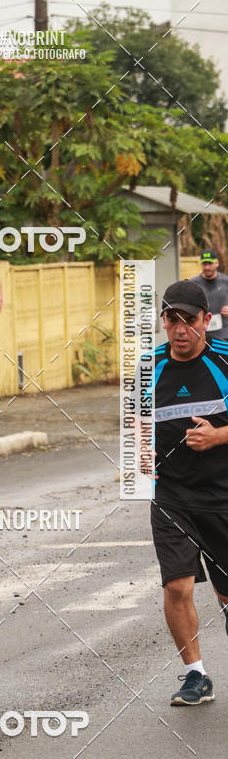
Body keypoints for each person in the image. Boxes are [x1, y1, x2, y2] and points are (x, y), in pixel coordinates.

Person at [150, 280, 228, 705]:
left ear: (206, 321)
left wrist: (218, 437)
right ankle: (195, 674)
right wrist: (139, 460)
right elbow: (135, 431)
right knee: (177, 587)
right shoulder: (148, 368)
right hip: (171, 495)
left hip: (222, 494)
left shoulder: (224, 361)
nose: (180, 330)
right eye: (171, 320)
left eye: (189, 321)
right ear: (163, 321)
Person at [190, 249, 228, 343]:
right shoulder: (193, 284)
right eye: (204, 264)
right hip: (201, 336)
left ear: (217, 263)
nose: (207, 267)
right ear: (200, 264)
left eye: (210, 264)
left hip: (224, 335)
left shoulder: (226, 281)